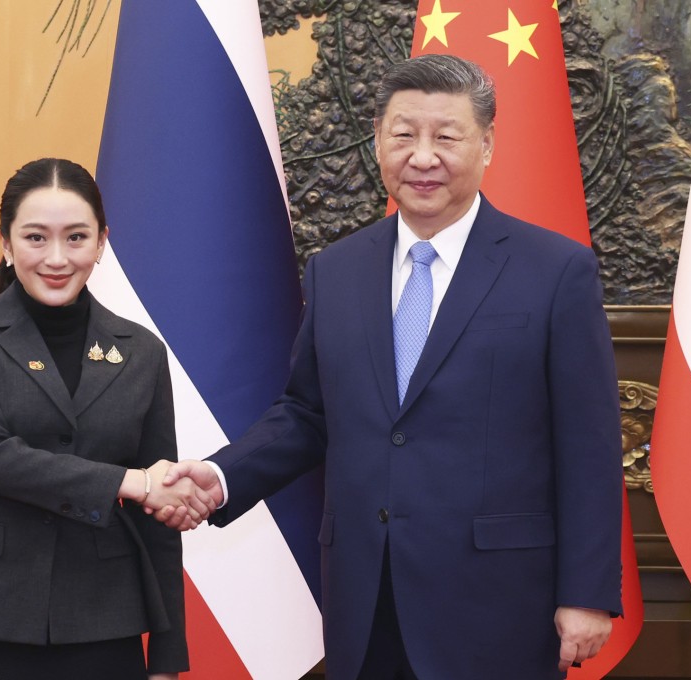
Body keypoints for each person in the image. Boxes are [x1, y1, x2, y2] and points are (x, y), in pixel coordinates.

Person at [157, 55, 623, 679]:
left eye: (446, 137)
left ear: (487, 145)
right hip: (365, 598)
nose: (422, 156)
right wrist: (221, 475)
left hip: (500, 603)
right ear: (377, 141)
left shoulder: (555, 271)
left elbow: (588, 443)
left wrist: (587, 592)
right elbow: (307, 413)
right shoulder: (337, 270)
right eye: (403, 135)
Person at [0, 158, 212, 679]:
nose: (57, 258)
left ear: (101, 243)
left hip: (104, 616)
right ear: (7, 244)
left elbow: (161, 516)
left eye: (76, 237)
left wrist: (166, 661)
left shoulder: (142, 351)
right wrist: (133, 482)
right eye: (36, 238)